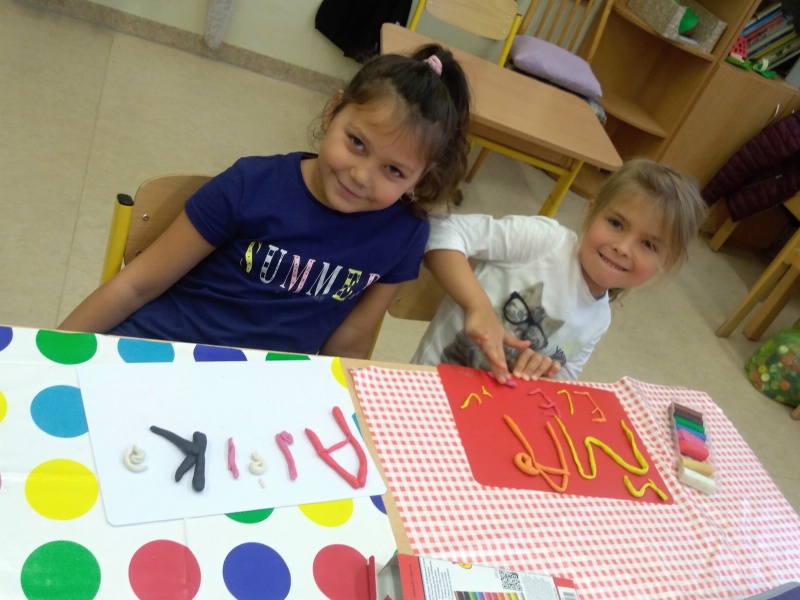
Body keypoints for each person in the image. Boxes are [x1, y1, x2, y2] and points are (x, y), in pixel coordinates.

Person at [58, 44, 471, 358]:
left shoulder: (404, 234)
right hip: (162, 350)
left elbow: (350, 341)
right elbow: (135, 286)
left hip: (259, 393)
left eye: (394, 170)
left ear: (423, 176)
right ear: (333, 112)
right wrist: (49, 357)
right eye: (357, 143)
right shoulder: (251, 185)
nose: (361, 176)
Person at [411, 158, 707, 382]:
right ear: (591, 212)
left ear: (666, 263)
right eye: (616, 224)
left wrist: (543, 373)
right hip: (428, 383)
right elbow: (441, 231)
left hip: (491, 413)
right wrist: (478, 306)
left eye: (648, 244)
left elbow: (565, 380)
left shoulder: (599, 319)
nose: (623, 247)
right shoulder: (546, 242)